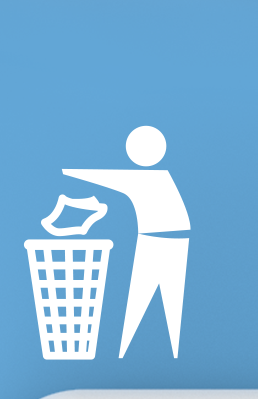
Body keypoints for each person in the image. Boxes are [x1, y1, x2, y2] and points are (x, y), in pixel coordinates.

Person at [61, 126, 190, 359]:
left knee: (149, 301)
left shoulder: (151, 179)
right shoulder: (159, 178)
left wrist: (70, 171)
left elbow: (115, 179)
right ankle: (133, 350)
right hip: (170, 238)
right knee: (158, 301)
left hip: (160, 240)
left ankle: (130, 351)